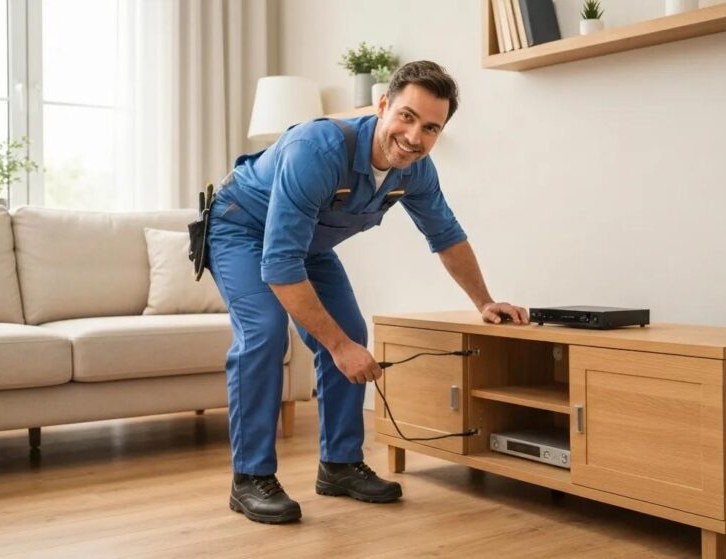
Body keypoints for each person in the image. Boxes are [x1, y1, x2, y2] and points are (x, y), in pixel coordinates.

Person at [207, 60, 528, 524]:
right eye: (406, 117)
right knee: (265, 331)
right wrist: (337, 348)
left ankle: (338, 465)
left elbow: (447, 236)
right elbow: (278, 264)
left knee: (351, 330)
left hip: (307, 244)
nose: (415, 137)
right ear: (383, 105)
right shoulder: (315, 151)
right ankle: (250, 478)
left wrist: (484, 301)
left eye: (431, 128)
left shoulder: (415, 171)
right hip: (240, 228)